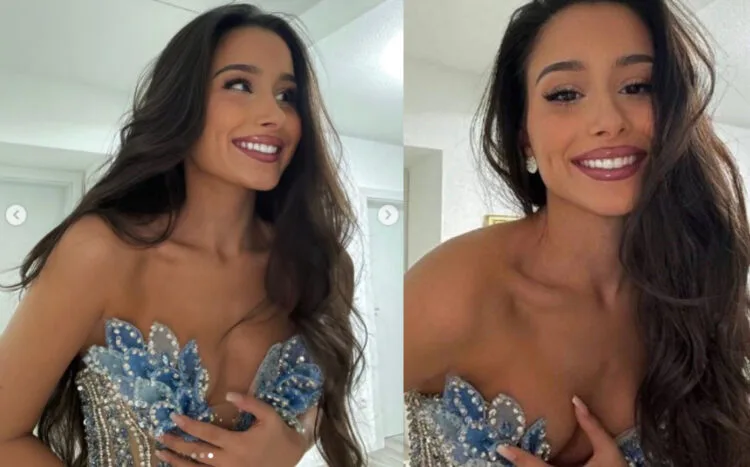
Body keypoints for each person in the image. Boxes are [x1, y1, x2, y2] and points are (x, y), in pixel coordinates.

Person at [0, 4, 366, 466]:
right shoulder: (102, 252)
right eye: (239, 85)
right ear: (182, 102)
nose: (274, 114)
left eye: (286, 95)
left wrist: (290, 445)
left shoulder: (321, 265)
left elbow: (321, 395)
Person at [404, 0, 750, 466]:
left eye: (637, 86)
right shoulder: (453, 292)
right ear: (524, 134)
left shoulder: (706, 291)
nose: (608, 120)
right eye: (565, 94)